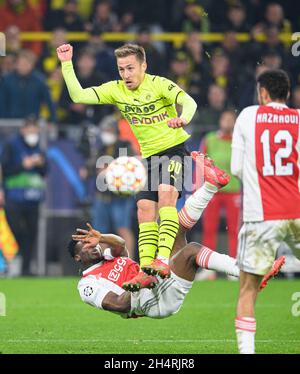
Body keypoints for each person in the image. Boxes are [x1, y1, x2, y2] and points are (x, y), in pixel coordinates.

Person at [69, 155, 283, 318]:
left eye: (88, 241)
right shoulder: (87, 284)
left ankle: (211, 185)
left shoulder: (109, 257)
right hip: (151, 301)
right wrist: (137, 286)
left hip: (154, 280)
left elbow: (122, 244)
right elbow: (118, 304)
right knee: (192, 251)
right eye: (84, 246)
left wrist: (102, 237)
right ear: (77, 257)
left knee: (174, 228)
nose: (91, 246)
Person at [56, 43, 197, 287]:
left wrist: (183, 118)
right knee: (144, 210)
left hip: (174, 150)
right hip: (150, 158)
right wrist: (67, 64)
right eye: (121, 69)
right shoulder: (116, 89)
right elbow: (78, 95)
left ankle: (163, 260)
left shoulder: (160, 84)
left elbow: (189, 101)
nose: (126, 74)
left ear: (144, 66)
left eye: (131, 68)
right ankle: (145, 269)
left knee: (166, 197)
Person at [231, 69, 300, 354]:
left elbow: (236, 168)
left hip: (260, 216)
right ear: (288, 93)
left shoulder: (248, 116)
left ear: (263, 92)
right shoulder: (299, 120)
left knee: (248, 288)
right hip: (297, 212)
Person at [1, 115, 47, 275]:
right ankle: (17, 260)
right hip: (14, 198)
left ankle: (26, 269)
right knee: (17, 230)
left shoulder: (39, 148)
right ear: (23, 130)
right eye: (30, 130)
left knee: (32, 232)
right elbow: (5, 169)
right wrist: (23, 165)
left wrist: (41, 165)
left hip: (33, 199)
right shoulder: (11, 145)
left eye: (36, 130)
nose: (33, 134)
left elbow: (45, 171)